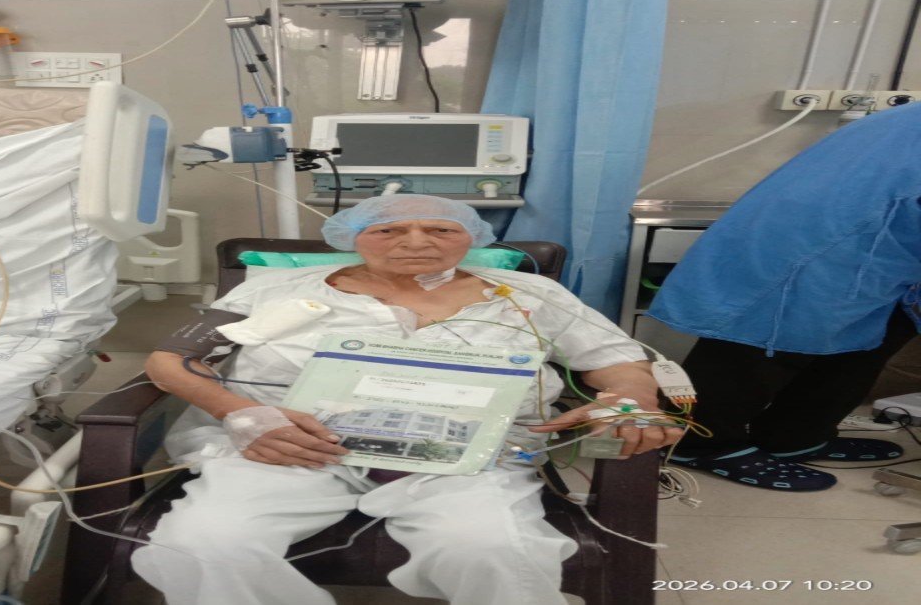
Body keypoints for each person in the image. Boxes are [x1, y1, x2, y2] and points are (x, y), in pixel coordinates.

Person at [131, 194, 682, 605]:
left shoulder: (531, 294)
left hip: (464, 456)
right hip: (291, 446)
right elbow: (169, 361)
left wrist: (627, 402)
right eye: (389, 229)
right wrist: (242, 414)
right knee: (207, 542)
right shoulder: (273, 290)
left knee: (490, 549)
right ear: (352, 237)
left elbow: (618, 361)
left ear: (472, 238)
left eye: (440, 228)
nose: (416, 241)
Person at [647, 102, 921, 492]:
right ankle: (699, 443)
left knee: (871, 337)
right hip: (828, 231)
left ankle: (794, 435)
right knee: (767, 335)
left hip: (880, 235)